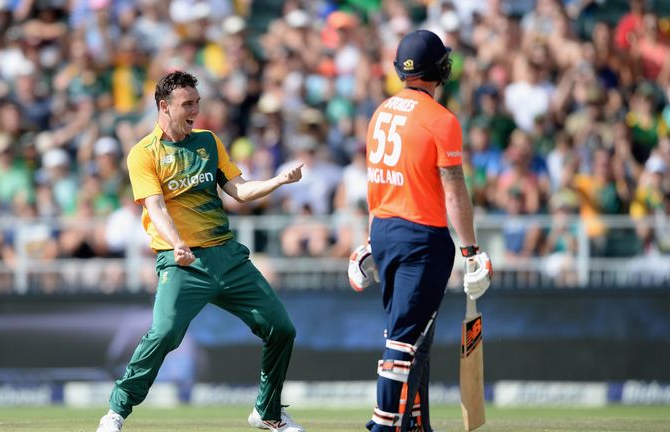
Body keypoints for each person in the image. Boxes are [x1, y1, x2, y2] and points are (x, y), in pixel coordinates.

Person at [96, 71, 305, 432]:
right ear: (164, 106)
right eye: (187, 104)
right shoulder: (144, 153)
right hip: (181, 263)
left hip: (226, 256)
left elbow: (239, 190)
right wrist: (177, 243)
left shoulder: (208, 142)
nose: (195, 110)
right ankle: (115, 411)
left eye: (197, 102)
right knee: (163, 335)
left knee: (281, 328)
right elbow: (155, 207)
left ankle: (267, 413)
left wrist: (278, 181)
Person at [348, 30, 492, 432]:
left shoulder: (380, 113)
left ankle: (414, 424)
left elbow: (376, 182)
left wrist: (368, 240)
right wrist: (471, 250)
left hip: (385, 232)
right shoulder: (441, 121)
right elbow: (454, 189)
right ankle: (383, 425)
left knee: (416, 337)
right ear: (441, 69)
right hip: (421, 239)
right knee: (404, 339)